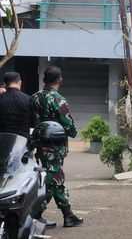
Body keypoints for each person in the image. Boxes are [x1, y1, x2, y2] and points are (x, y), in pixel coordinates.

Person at [31, 66, 84, 228]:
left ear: (44, 80)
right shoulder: (57, 99)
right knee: (52, 180)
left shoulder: (35, 97)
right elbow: (68, 125)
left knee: (55, 178)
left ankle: (68, 214)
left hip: (40, 144)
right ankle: (35, 215)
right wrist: (73, 132)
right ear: (60, 80)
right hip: (55, 146)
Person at [0, 72, 33, 139]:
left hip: (3, 141)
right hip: (23, 142)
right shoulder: (28, 99)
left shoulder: (1, 98)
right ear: (20, 83)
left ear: (5, 84)